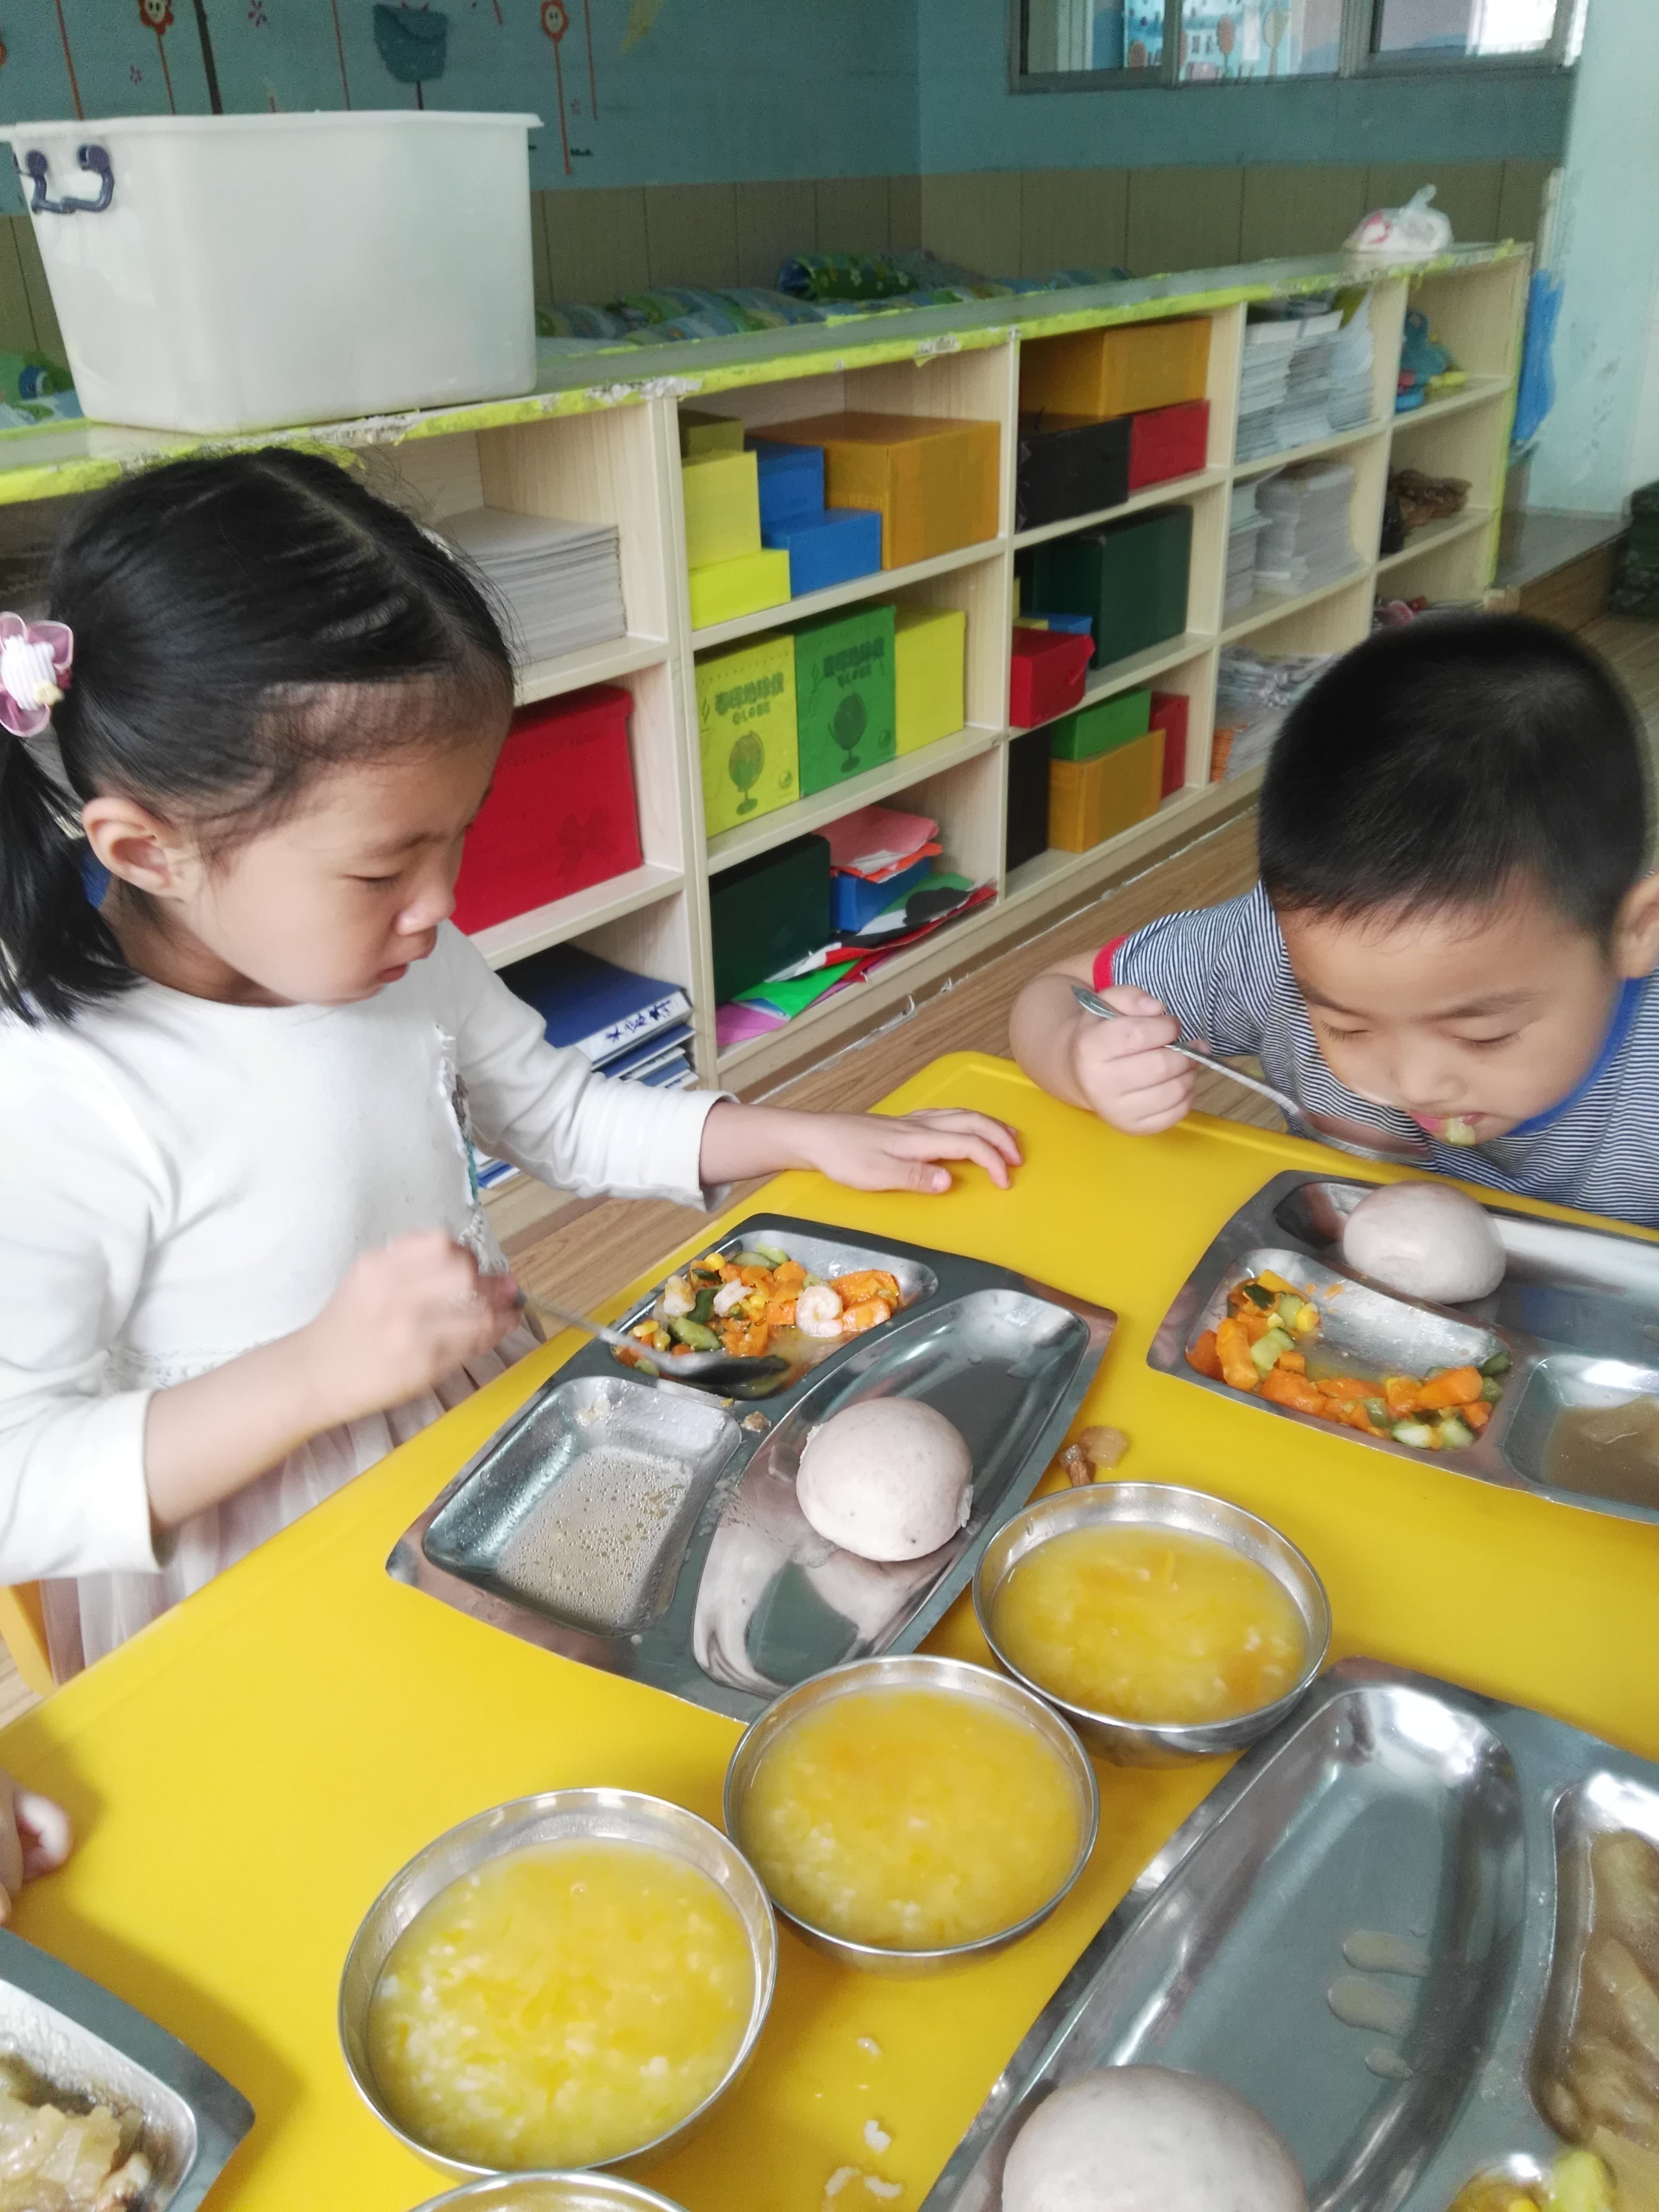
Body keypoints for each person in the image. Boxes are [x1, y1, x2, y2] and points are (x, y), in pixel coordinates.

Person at [0, 450, 1019, 1678]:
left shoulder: (405, 957)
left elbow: (561, 1117)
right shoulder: (59, 1098)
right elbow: (19, 1488)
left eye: (458, 838)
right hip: (256, 1580)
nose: (441, 903)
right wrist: (315, 1375)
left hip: (476, 1450)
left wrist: (794, 1134)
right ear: (147, 850)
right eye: (382, 867)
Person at [1011, 614, 1659, 1222]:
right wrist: (1079, 1059)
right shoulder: (1280, 948)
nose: (1414, 1083)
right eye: (1346, 1027)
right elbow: (1056, 991)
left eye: (1484, 1036)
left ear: (1636, 930)